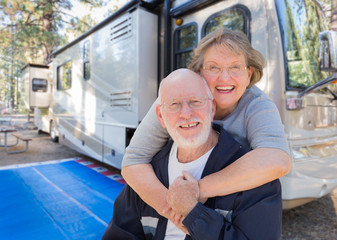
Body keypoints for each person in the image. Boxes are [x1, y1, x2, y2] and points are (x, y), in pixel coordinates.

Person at [121, 28, 291, 221]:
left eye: (235, 67)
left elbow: (278, 160)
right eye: (213, 67)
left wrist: (198, 189)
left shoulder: (257, 105)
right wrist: (174, 210)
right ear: (198, 72)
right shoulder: (173, 100)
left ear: (249, 74)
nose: (224, 78)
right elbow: (133, 160)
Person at [101, 69, 282, 240]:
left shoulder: (255, 178)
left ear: (211, 109)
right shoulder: (147, 176)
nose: (186, 114)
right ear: (160, 116)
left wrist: (193, 214)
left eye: (195, 102)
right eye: (174, 105)